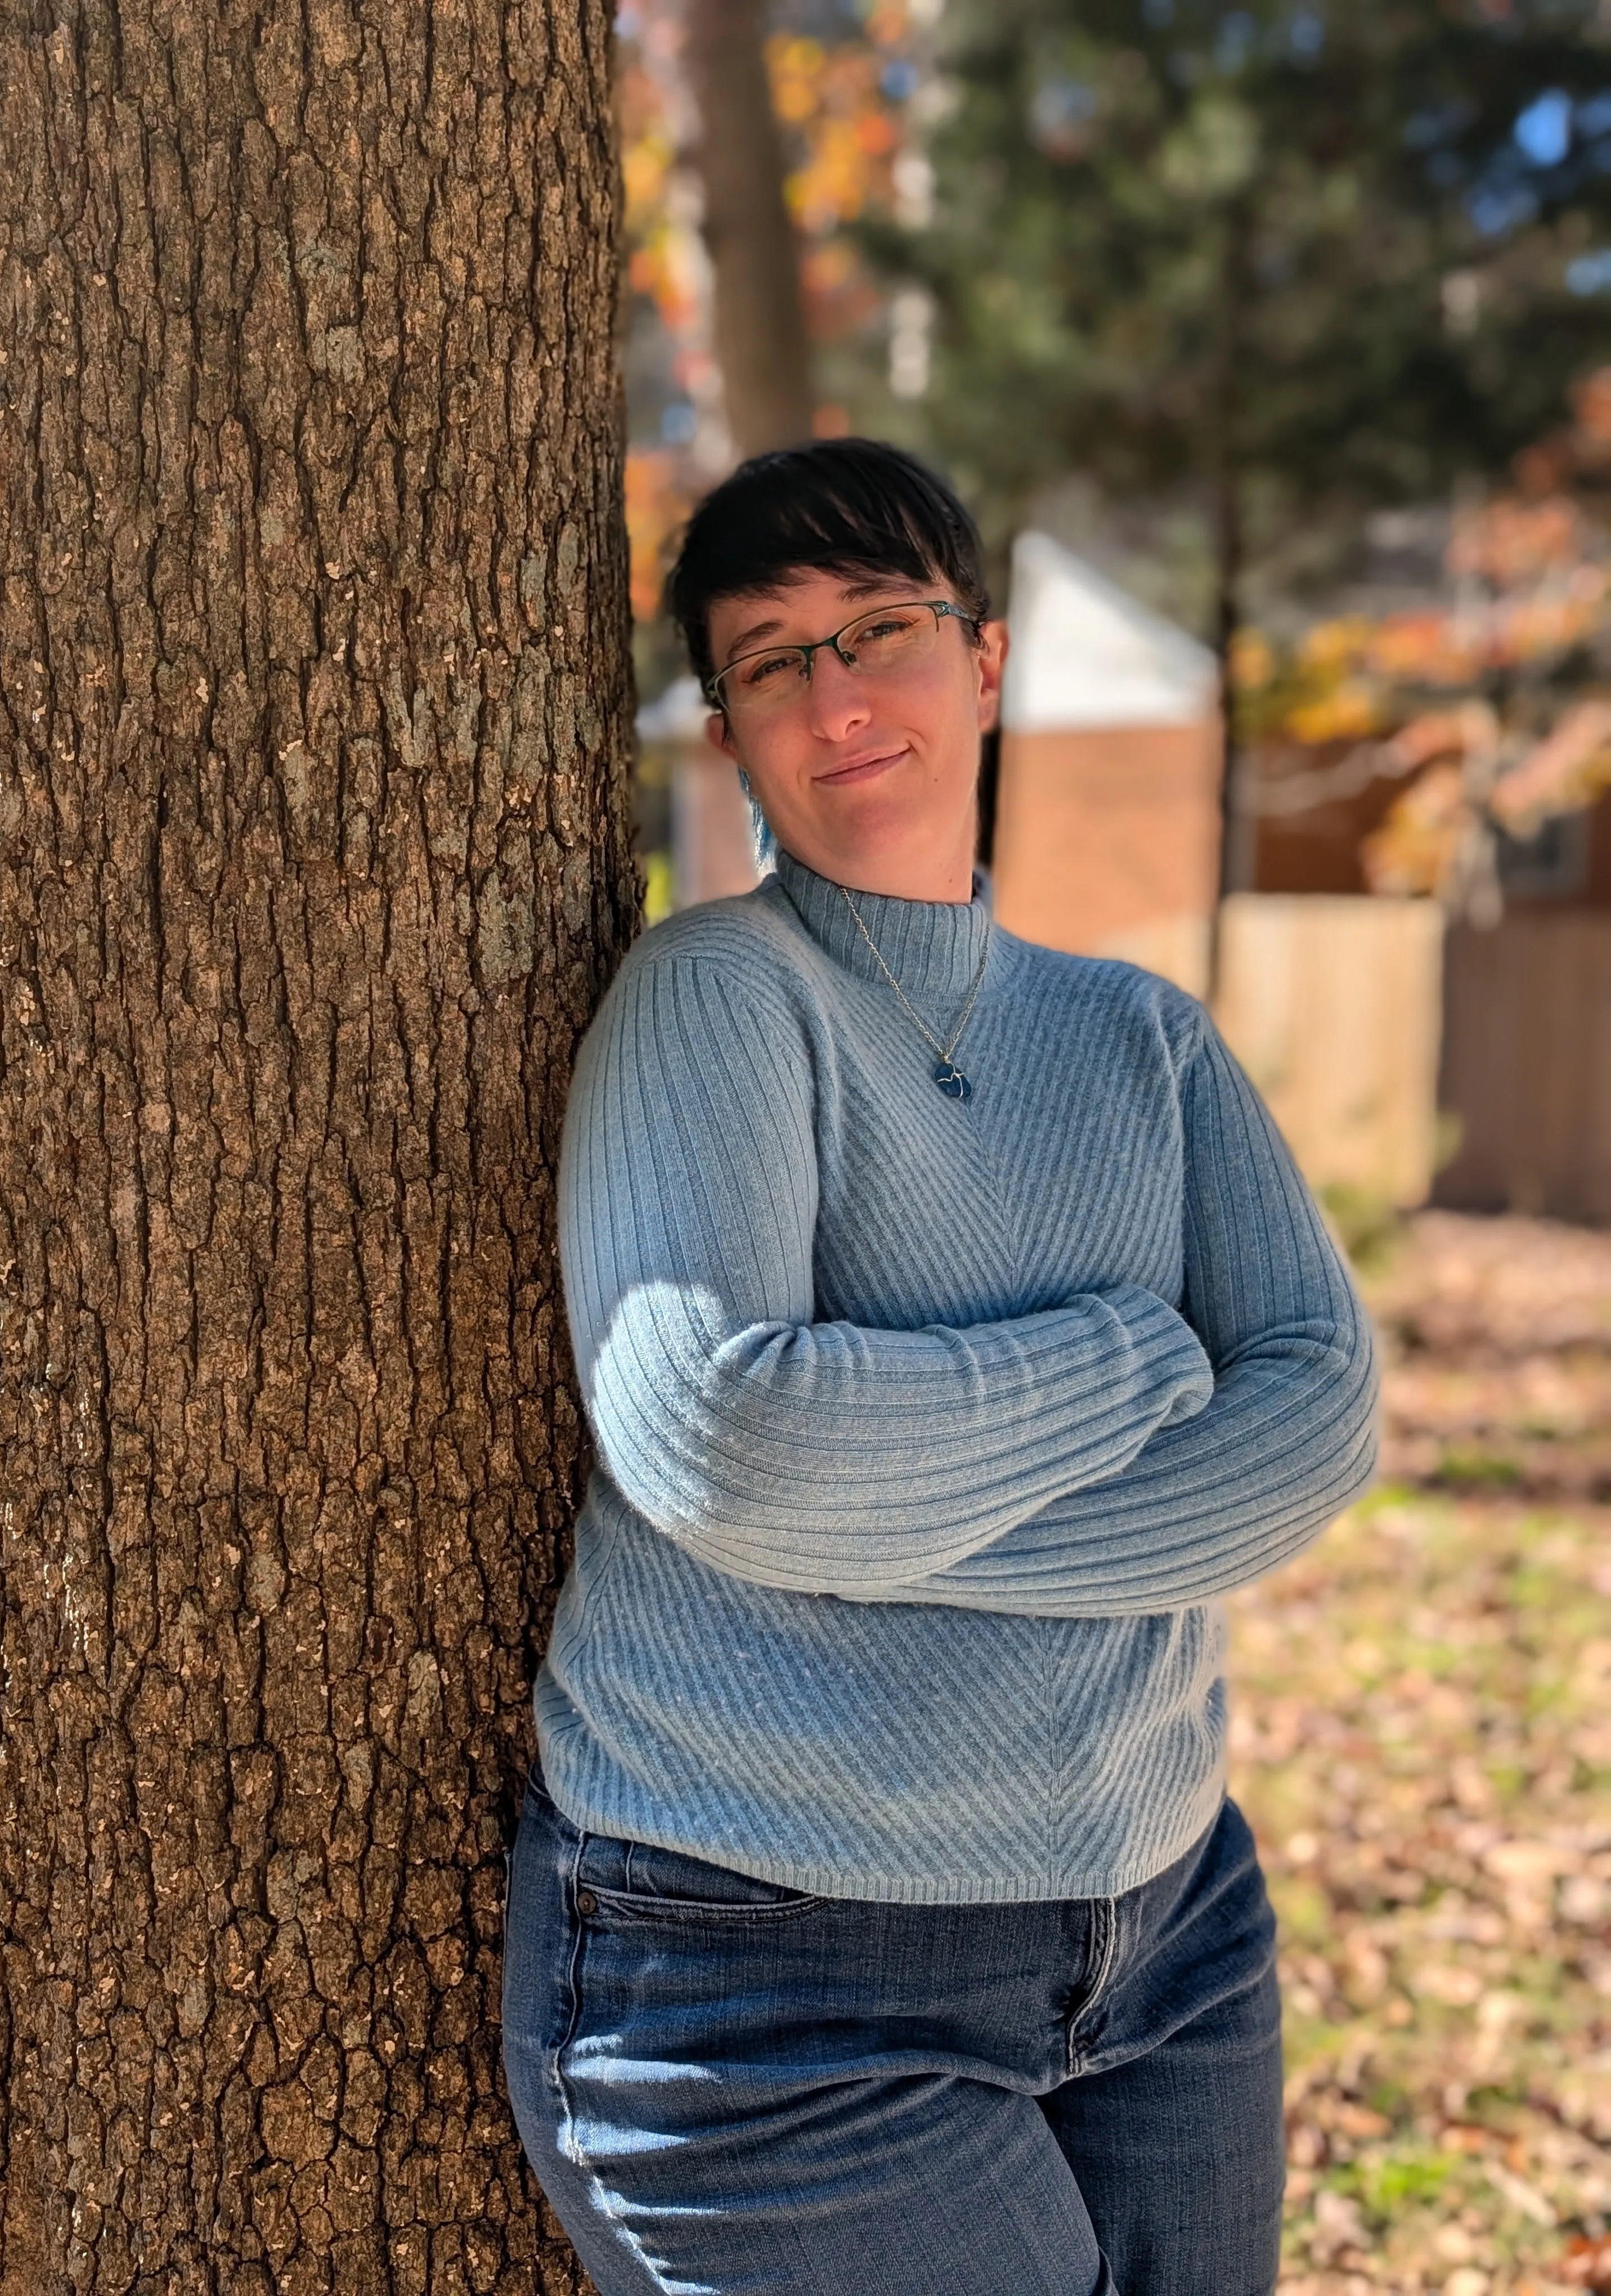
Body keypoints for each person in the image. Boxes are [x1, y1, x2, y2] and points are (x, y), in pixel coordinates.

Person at [502, 437, 1379, 2296]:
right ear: (729, 733)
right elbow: (723, 1441)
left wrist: (876, 1539)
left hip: (1170, 1940)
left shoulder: (1143, 1039)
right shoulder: (715, 997)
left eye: (881, 626)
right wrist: (1132, 1356)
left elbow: (1317, 1406)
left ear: (982, 665)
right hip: (763, 1970)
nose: (836, 692)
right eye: (770, 657)